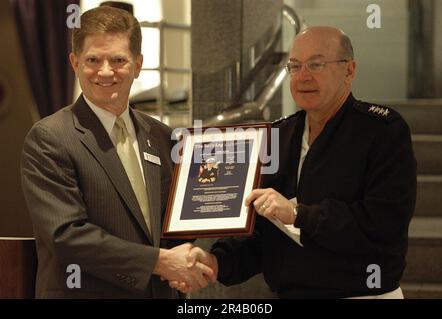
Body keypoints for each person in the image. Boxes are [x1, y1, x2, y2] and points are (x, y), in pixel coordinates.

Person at [173, 26, 417, 298]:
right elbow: (263, 232)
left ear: (350, 70)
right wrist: (217, 262)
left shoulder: (382, 131)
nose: (303, 76)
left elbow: (383, 224)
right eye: (295, 66)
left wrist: (298, 214)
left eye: (316, 64)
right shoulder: (278, 136)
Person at [20, 6, 214, 299]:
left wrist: (188, 259)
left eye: (118, 60)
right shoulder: (50, 138)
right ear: (74, 63)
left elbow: (172, 225)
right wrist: (161, 262)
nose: (106, 71)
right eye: (93, 60)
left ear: (137, 65)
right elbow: (67, 236)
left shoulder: (163, 137)